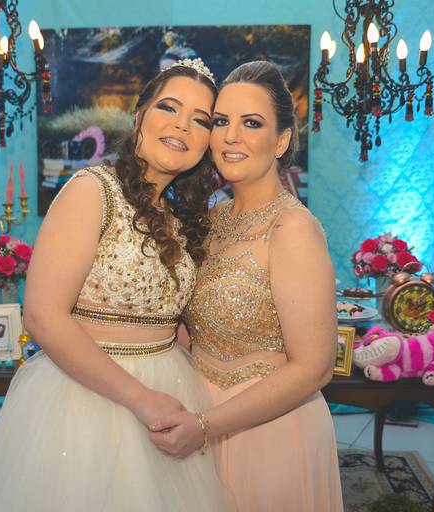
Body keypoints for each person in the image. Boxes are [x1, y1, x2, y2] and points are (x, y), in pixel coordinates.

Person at [0, 58, 230, 511]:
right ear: (139, 115)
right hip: (88, 395)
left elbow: (170, 317)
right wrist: (140, 399)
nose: (182, 125)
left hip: (172, 386)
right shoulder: (92, 190)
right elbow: (42, 316)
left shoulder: (179, 215)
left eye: (200, 119)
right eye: (169, 107)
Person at [150, 60, 344, 511]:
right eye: (221, 122)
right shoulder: (214, 218)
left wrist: (206, 426)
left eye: (251, 123)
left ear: (282, 140)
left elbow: (315, 367)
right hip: (201, 421)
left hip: (270, 434)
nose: (231, 137)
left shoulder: (293, 229)